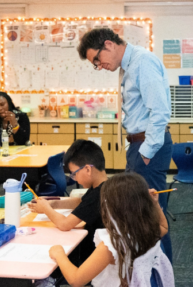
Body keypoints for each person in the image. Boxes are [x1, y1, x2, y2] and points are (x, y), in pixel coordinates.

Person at [79, 28, 174, 259]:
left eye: (97, 60)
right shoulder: (129, 66)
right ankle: (147, 272)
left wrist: (146, 153)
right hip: (139, 146)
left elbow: (159, 111)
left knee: (151, 214)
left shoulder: (143, 62)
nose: (99, 66)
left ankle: (160, 274)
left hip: (148, 146)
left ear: (109, 45)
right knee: (140, 214)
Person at [49, 173, 173, 287]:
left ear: (111, 208)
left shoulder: (113, 245)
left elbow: (76, 280)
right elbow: (164, 227)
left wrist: (59, 254)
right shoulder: (147, 229)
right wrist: (155, 204)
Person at [28, 140, 106, 259]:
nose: (74, 179)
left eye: (74, 174)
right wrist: (54, 204)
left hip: (93, 255)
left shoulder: (99, 195)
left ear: (87, 170)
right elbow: (81, 202)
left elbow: (65, 224)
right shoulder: (101, 186)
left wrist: (46, 209)